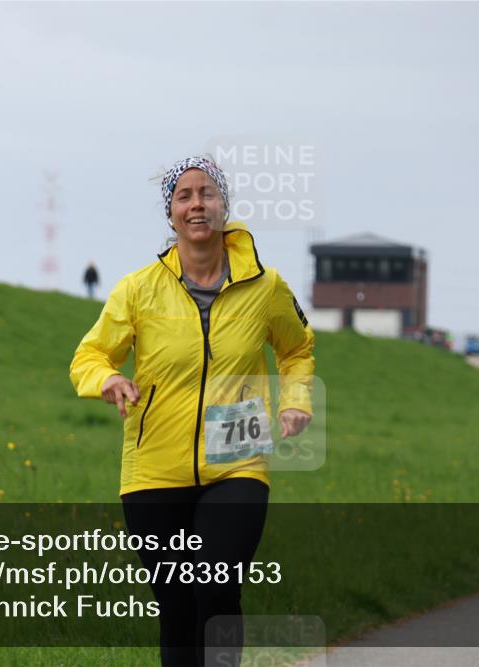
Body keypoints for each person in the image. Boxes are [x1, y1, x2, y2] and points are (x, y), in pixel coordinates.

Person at [70, 155, 315, 667]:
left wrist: (295, 403)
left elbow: (296, 350)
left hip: (238, 462)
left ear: (225, 207)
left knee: (216, 586)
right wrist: (108, 379)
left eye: (207, 193)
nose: (197, 204)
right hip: (154, 468)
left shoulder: (266, 287)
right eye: (184, 196)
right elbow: (90, 355)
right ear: (171, 215)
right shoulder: (138, 289)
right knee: (177, 605)